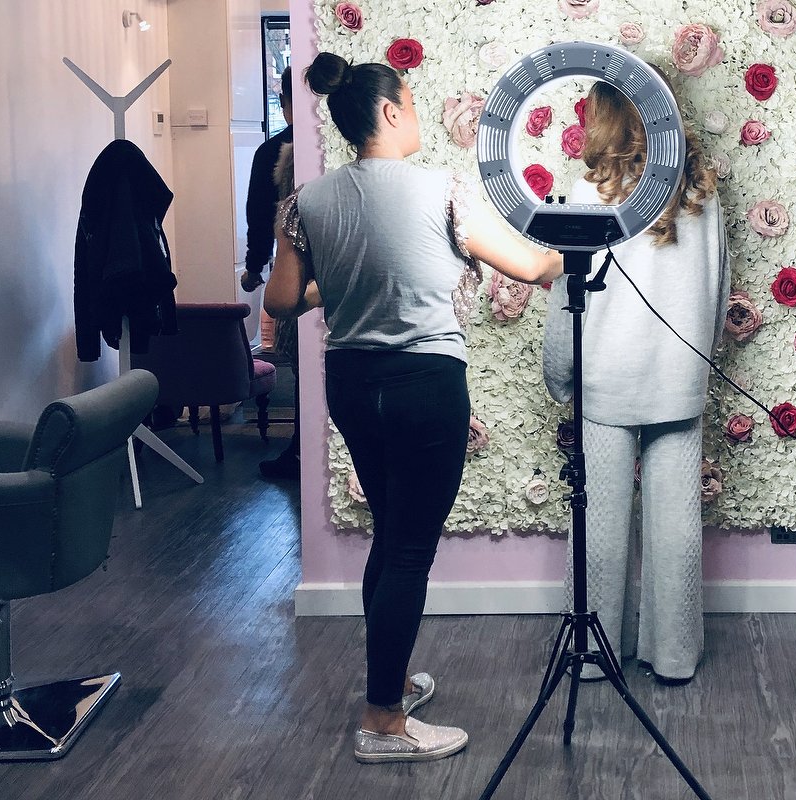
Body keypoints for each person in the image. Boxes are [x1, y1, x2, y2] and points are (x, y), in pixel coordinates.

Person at [264, 52, 563, 763]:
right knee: (407, 549)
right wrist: (576, 248)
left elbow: (280, 300)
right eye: (413, 102)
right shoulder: (441, 189)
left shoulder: (306, 201)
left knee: (389, 535)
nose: (419, 114)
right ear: (390, 111)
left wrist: (341, 282)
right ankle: (383, 721)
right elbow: (528, 266)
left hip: (351, 383)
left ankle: (391, 681)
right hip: (424, 383)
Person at [542, 76, 729, 685]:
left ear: (606, 119)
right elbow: (721, 284)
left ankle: (595, 658)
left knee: (598, 521)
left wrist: (559, 375)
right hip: (680, 376)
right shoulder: (702, 191)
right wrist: (701, 356)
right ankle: (674, 656)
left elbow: (568, 296)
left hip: (607, 376)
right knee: (677, 525)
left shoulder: (588, 193)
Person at [240, 66, 301, 479]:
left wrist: (254, 265)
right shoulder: (338, 143)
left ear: (283, 102)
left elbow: (260, 217)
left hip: (293, 271)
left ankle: (300, 449)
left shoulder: (271, 151)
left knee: (300, 361)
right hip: (340, 270)